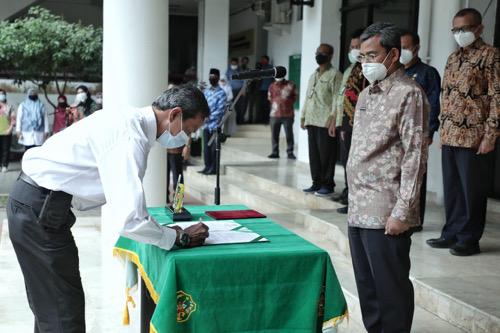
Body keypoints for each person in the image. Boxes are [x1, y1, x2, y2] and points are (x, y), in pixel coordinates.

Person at [7, 85, 210, 332]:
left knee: (52, 307)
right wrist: (179, 236)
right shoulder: (130, 134)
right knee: (62, 313)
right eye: (189, 129)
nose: (186, 138)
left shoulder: (129, 122)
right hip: (39, 209)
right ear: (175, 114)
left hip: (37, 204)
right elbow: (131, 220)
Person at [347, 22, 429, 333]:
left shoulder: (410, 94)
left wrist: (403, 211)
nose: (366, 63)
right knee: (367, 288)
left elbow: (415, 156)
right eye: (362, 57)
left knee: (389, 288)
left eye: (372, 55)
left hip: (386, 210)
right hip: (359, 206)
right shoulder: (367, 93)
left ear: (393, 54)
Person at [427, 8, 499, 256]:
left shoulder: (491, 56)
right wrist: (443, 130)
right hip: (450, 136)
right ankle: (451, 233)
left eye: (465, 28)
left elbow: (496, 98)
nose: (460, 33)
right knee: (453, 189)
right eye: (456, 29)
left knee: (472, 191)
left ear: (479, 29)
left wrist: (490, 135)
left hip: (475, 137)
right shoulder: (453, 58)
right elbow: (446, 97)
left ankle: (469, 238)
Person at [400, 30, 441, 231]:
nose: (402, 52)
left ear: (416, 48)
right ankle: (399, 215)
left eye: (406, 47)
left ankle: (414, 220)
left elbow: (434, 103)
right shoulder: (397, 72)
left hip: (418, 133)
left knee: (416, 174)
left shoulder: (427, 73)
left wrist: (431, 131)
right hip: (397, 134)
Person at [300, 43, 343, 197]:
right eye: (318, 52)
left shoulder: (335, 75)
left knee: (326, 155)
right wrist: (303, 116)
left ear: (330, 56)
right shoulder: (313, 75)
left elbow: (338, 98)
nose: (319, 55)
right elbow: (307, 97)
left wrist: (333, 118)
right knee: (314, 155)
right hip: (312, 119)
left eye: (323, 53)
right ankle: (316, 182)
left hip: (325, 121)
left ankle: (327, 184)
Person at [332, 28, 366, 214]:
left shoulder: (368, 69)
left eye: (357, 46)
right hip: (346, 123)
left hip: (360, 125)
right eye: (352, 47)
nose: (354, 50)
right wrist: (338, 121)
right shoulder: (351, 69)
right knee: (347, 162)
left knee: (357, 164)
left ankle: (356, 201)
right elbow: (342, 97)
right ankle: (349, 195)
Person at [199, 68, 226, 175]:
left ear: (218, 78)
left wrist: (208, 117)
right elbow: (202, 105)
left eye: (214, 77)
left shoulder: (222, 93)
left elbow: (220, 110)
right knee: (206, 148)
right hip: (206, 125)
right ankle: (207, 166)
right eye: (210, 77)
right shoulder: (206, 92)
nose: (212, 79)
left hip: (215, 125)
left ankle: (214, 168)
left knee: (214, 149)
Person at [267, 77, 297, 159]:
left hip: (288, 114)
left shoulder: (290, 85)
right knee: (274, 134)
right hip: (274, 114)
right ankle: (274, 152)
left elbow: (295, 97)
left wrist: (286, 103)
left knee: (289, 134)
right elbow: (270, 98)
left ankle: (290, 152)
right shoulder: (272, 86)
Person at [0, 89, 16, 172]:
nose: (1, 95)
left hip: (6, 131)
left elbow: (13, 119)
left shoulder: (10, 107)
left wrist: (10, 129)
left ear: (5, 96)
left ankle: (4, 165)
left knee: (5, 149)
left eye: (2, 94)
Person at [257, 55, 274, 124]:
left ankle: (266, 120)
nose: (262, 61)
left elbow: (273, 79)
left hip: (268, 90)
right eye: (261, 60)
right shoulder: (260, 67)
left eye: (263, 60)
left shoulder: (271, 68)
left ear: (267, 60)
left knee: (267, 105)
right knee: (261, 105)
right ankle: (261, 120)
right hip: (261, 90)